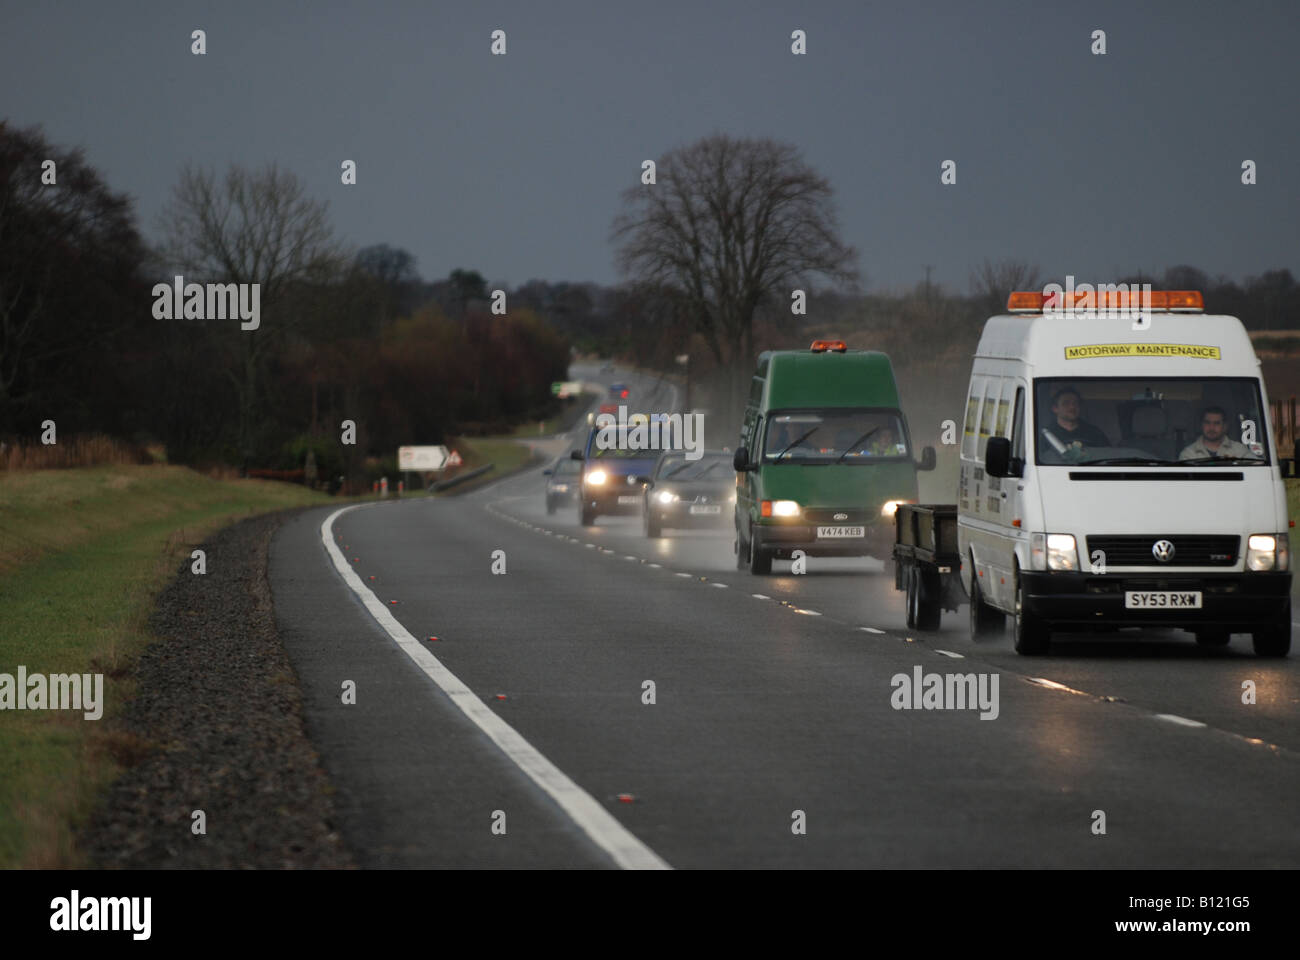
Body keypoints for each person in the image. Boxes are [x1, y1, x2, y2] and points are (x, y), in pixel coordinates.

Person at [1040, 387, 1110, 456]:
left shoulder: (1095, 433)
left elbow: (1107, 456)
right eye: (1066, 403)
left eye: (1076, 403)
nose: (1072, 407)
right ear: (1055, 409)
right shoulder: (1046, 435)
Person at [1178, 406, 1253, 460]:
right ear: (1201, 425)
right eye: (1207, 423)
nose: (1211, 428)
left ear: (1225, 426)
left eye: (1216, 423)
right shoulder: (1188, 454)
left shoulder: (1239, 450)